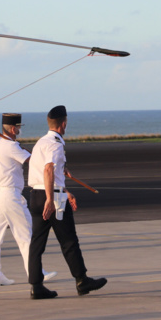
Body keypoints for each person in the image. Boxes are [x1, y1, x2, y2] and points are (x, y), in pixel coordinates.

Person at [27, 105, 107, 299]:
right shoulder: (55, 144)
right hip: (52, 198)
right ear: (63, 124)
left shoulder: (40, 142)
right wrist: (50, 198)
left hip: (36, 195)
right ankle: (82, 281)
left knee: (36, 243)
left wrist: (65, 190)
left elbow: (50, 173)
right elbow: (48, 169)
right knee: (69, 241)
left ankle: (36, 286)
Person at [0, 113, 57, 286]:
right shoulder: (11, 146)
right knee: (26, 234)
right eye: (18, 127)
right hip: (9, 195)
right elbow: (34, 161)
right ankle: (37, 273)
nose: (19, 130)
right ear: (12, 129)